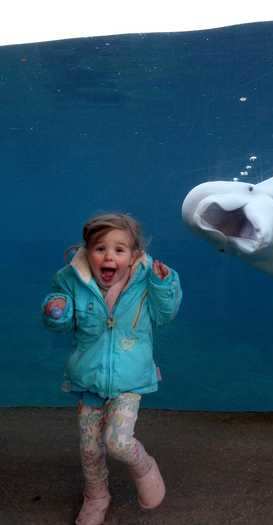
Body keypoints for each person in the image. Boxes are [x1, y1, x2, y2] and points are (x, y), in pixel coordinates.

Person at [41, 213, 182, 525]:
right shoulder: (70, 279)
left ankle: (144, 466)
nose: (109, 256)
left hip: (130, 379)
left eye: (119, 250)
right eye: (100, 248)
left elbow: (165, 314)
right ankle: (96, 496)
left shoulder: (147, 279)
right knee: (90, 449)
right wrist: (55, 311)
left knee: (117, 442)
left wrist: (164, 284)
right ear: (87, 250)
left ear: (133, 256)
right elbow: (60, 318)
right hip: (88, 378)